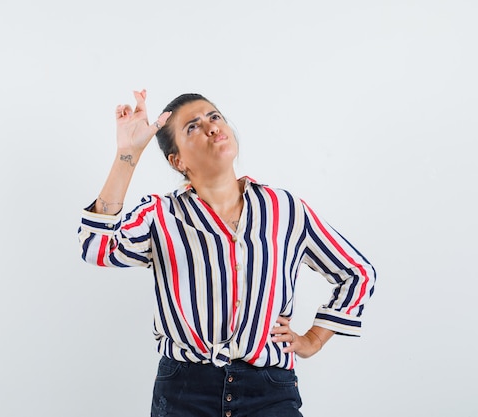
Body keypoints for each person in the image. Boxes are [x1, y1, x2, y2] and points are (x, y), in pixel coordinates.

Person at [78, 90, 376, 417]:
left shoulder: (284, 209)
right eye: (192, 127)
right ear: (177, 160)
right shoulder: (160, 214)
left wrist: (314, 339)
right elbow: (96, 247)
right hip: (183, 392)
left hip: (270, 392)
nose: (211, 127)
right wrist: (128, 155)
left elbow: (357, 273)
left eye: (214, 116)